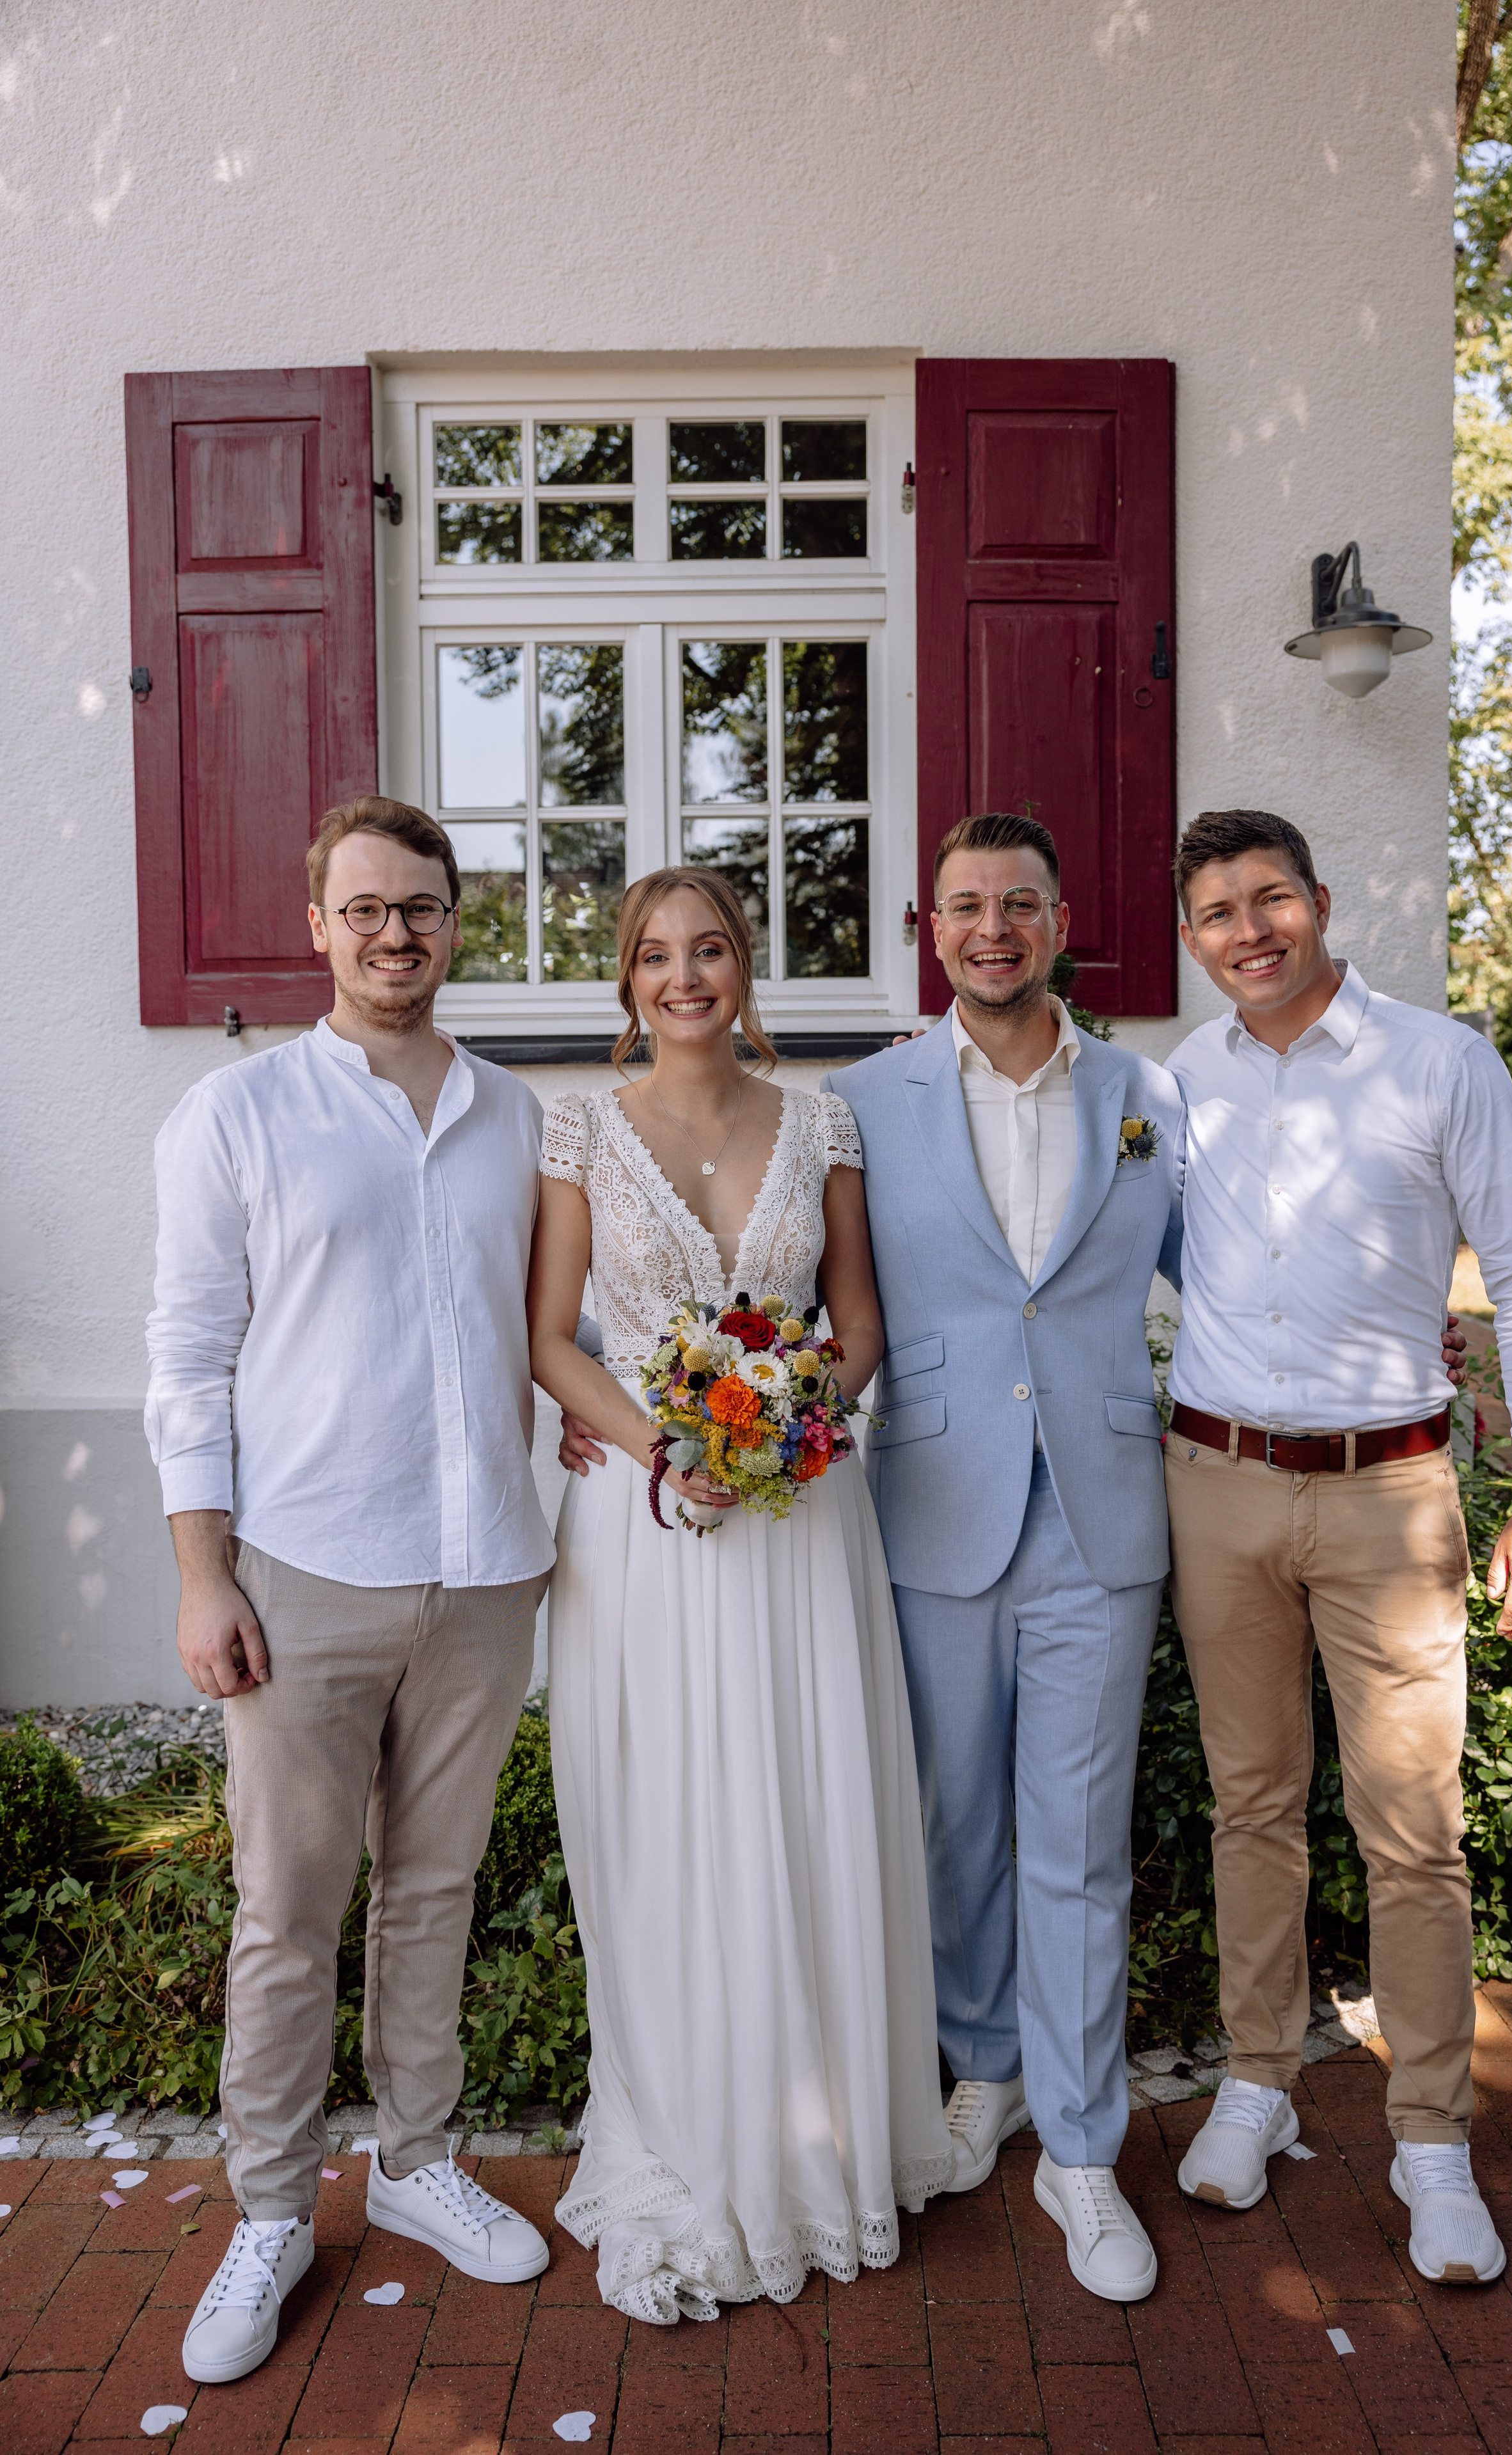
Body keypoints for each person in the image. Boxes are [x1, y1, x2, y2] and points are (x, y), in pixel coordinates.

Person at [145, 796, 554, 2388]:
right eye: (368, 909)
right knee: (286, 1912)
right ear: (317, 925)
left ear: (460, 925)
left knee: (436, 1893)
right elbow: (185, 1357)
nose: (398, 934)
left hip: (485, 1573)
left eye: (426, 909)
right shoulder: (236, 1115)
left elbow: (542, 1326)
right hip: (302, 1570)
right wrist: (201, 1571)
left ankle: (413, 2157)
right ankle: (266, 2206)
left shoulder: (518, 1115)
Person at [1163, 807, 1512, 2286]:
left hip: (1385, 1491)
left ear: (1319, 901)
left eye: (1267, 897)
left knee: (1410, 1830)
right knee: (1250, 1804)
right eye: (1215, 911)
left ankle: (1428, 2140)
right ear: (1192, 938)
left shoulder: (1437, 1059)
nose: (1247, 929)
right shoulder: (1182, 1083)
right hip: (1212, 1478)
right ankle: (1258, 2083)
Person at [531, 866, 953, 2327]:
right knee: (669, 1807)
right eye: (655, 955)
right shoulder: (576, 1125)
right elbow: (550, 1333)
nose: (685, 975)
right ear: (627, 979)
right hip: (646, 1522)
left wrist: (778, 1429)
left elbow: (861, 1323)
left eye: (708, 948)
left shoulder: (822, 1117)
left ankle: (820, 2128)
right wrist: (675, 1451)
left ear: (745, 964)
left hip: (800, 1517)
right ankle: (692, 2111)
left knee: (803, 1788)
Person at [811, 811, 1186, 2303]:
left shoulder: (1148, 1093)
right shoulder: (859, 1099)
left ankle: (1083, 2147)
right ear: (930, 926)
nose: (989, 927)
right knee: (956, 1820)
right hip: (935, 1503)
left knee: (1076, 1838)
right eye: (963, 905)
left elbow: (1219, 1266)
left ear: (1059, 917)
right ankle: (985, 2064)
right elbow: (781, 1270)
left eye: (1016, 902)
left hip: (1103, 1513)